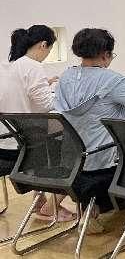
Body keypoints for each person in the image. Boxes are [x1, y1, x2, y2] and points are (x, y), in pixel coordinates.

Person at [54, 29, 125, 230]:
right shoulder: (112, 80)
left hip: (73, 161)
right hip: (105, 161)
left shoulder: (65, 77)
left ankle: (94, 209)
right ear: (105, 54)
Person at [0, 26, 76, 222]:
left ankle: (40, 202)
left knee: (47, 135)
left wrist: (44, 83)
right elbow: (46, 105)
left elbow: (18, 93)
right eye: (49, 50)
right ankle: (50, 207)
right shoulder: (33, 67)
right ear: (43, 45)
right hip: (25, 149)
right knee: (68, 145)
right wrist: (63, 92)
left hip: (6, 140)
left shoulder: (8, 66)